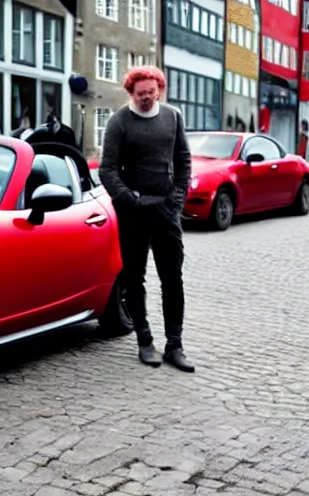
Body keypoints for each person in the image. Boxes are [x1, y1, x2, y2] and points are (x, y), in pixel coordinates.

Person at [98, 66, 193, 372]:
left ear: (159, 90)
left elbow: (183, 160)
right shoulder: (119, 122)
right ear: (131, 93)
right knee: (134, 276)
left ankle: (175, 345)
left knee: (172, 278)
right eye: (141, 94)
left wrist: (177, 198)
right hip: (134, 211)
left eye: (152, 93)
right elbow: (107, 169)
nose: (147, 98)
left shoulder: (173, 117)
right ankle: (144, 339)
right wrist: (128, 198)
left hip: (166, 208)